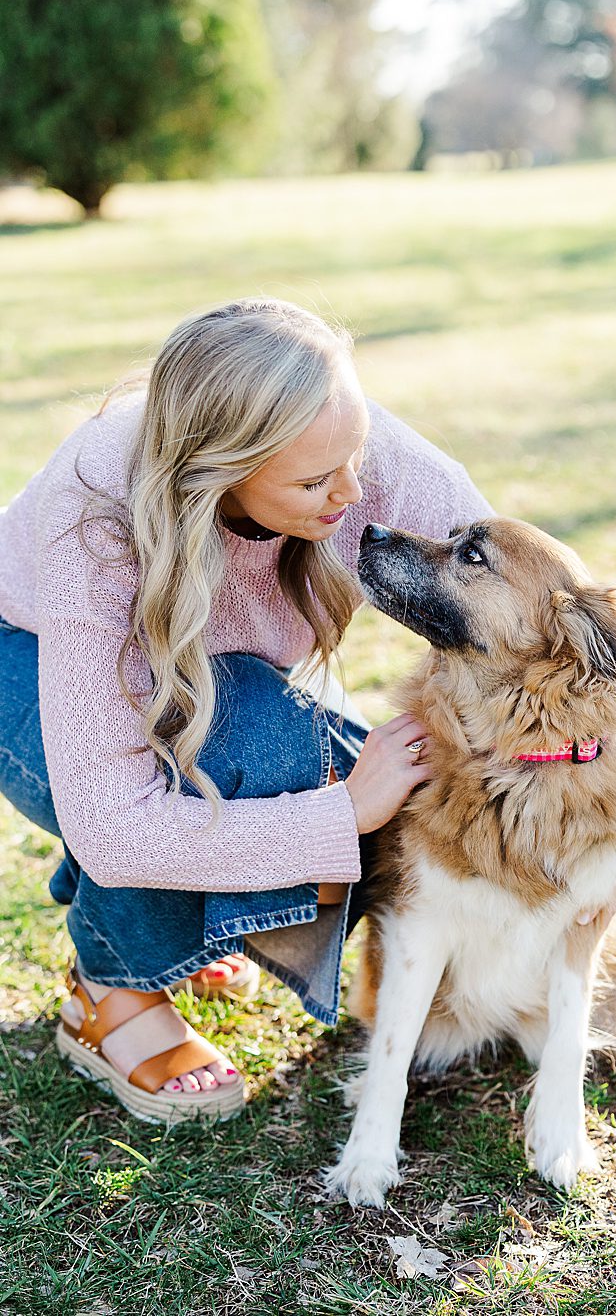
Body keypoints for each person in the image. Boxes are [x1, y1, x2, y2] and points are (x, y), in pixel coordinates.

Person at [0, 297, 493, 1123]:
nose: (354, 493)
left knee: (363, 784)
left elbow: (515, 603)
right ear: (218, 470)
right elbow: (115, 822)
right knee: (260, 748)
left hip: (218, 679)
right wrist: (339, 812)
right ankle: (111, 991)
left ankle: (200, 914)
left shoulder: (352, 452)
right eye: (312, 481)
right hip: (23, 656)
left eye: (358, 451)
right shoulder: (99, 512)